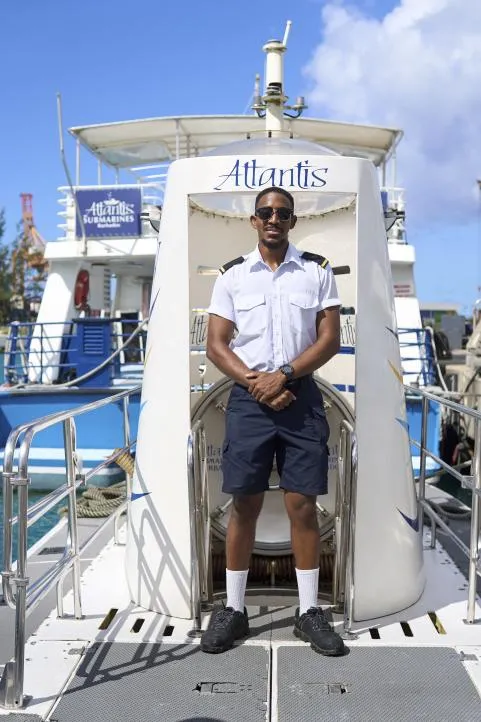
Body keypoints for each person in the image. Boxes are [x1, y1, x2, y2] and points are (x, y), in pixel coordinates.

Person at [200, 186, 345, 657]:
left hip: (301, 397)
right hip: (247, 398)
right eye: (265, 212)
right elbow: (217, 344)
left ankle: (308, 613)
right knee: (244, 504)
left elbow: (329, 339)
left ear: (293, 221)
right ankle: (234, 611)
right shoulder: (233, 277)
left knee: (302, 505)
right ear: (254, 221)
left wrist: (283, 376)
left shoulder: (317, 272)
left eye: (282, 213)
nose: (273, 219)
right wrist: (255, 382)